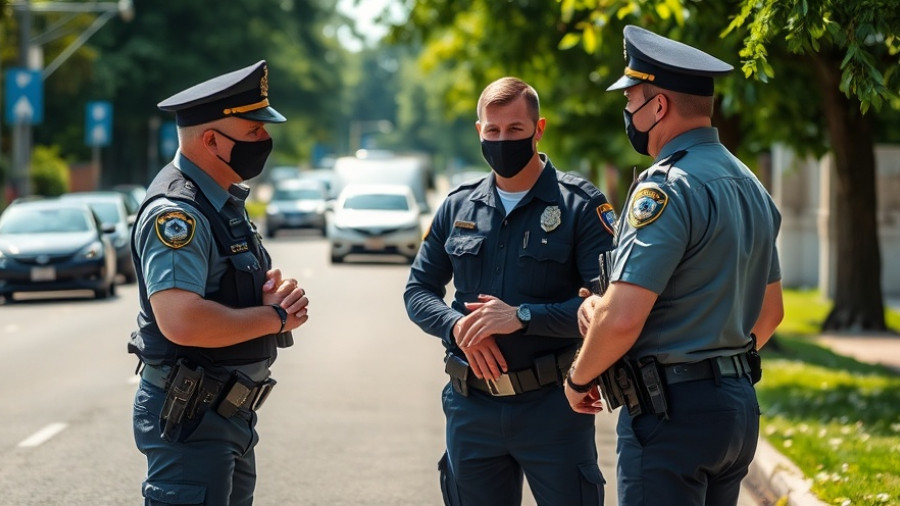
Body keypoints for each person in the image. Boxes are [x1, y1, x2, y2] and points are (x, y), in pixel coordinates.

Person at [563, 25, 785, 505]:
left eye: (630, 101)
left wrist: (579, 378)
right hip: (737, 407)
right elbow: (770, 316)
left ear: (657, 106)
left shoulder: (664, 188)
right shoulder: (750, 184)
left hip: (672, 414)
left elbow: (622, 318)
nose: (626, 112)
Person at [404, 77, 616, 506]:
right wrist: (459, 326)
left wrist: (520, 317)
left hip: (554, 407)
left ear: (538, 130)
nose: (503, 140)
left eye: (515, 130)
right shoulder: (457, 206)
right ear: (479, 131)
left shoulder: (581, 206)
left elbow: (606, 307)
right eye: (493, 131)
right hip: (472, 407)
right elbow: (418, 291)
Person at [129, 60, 310, 506]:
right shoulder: (179, 212)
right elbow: (182, 322)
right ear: (211, 140)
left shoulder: (220, 199)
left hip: (224, 413)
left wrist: (261, 299)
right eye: (254, 133)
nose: (265, 141)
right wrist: (274, 316)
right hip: (195, 416)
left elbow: (217, 290)